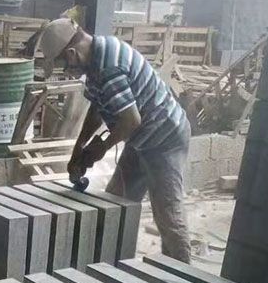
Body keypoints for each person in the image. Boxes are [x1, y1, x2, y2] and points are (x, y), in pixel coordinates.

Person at [38, 18, 192, 263]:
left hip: (164, 138)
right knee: (115, 204)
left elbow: (131, 120)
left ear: (72, 53)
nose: (66, 72)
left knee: (167, 214)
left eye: (63, 66)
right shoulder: (96, 60)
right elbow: (97, 108)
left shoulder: (109, 68)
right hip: (141, 139)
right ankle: (112, 267)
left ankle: (182, 278)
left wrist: (100, 148)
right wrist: (78, 149)